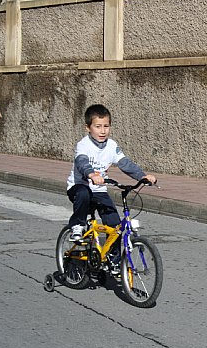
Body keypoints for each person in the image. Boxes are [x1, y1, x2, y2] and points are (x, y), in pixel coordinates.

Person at [66, 104, 157, 248]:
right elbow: (82, 162)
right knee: (83, 193)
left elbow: (125, 163)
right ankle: (77, 225)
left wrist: (142, 176)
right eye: (98, 126)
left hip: (99, 191)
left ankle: (114, 260)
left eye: (106, 126)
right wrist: (91, 174)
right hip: (79, 187)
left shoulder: (112, 146)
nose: (103, 131)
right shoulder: (83, 145)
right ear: (88, 127)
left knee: (115, 226)